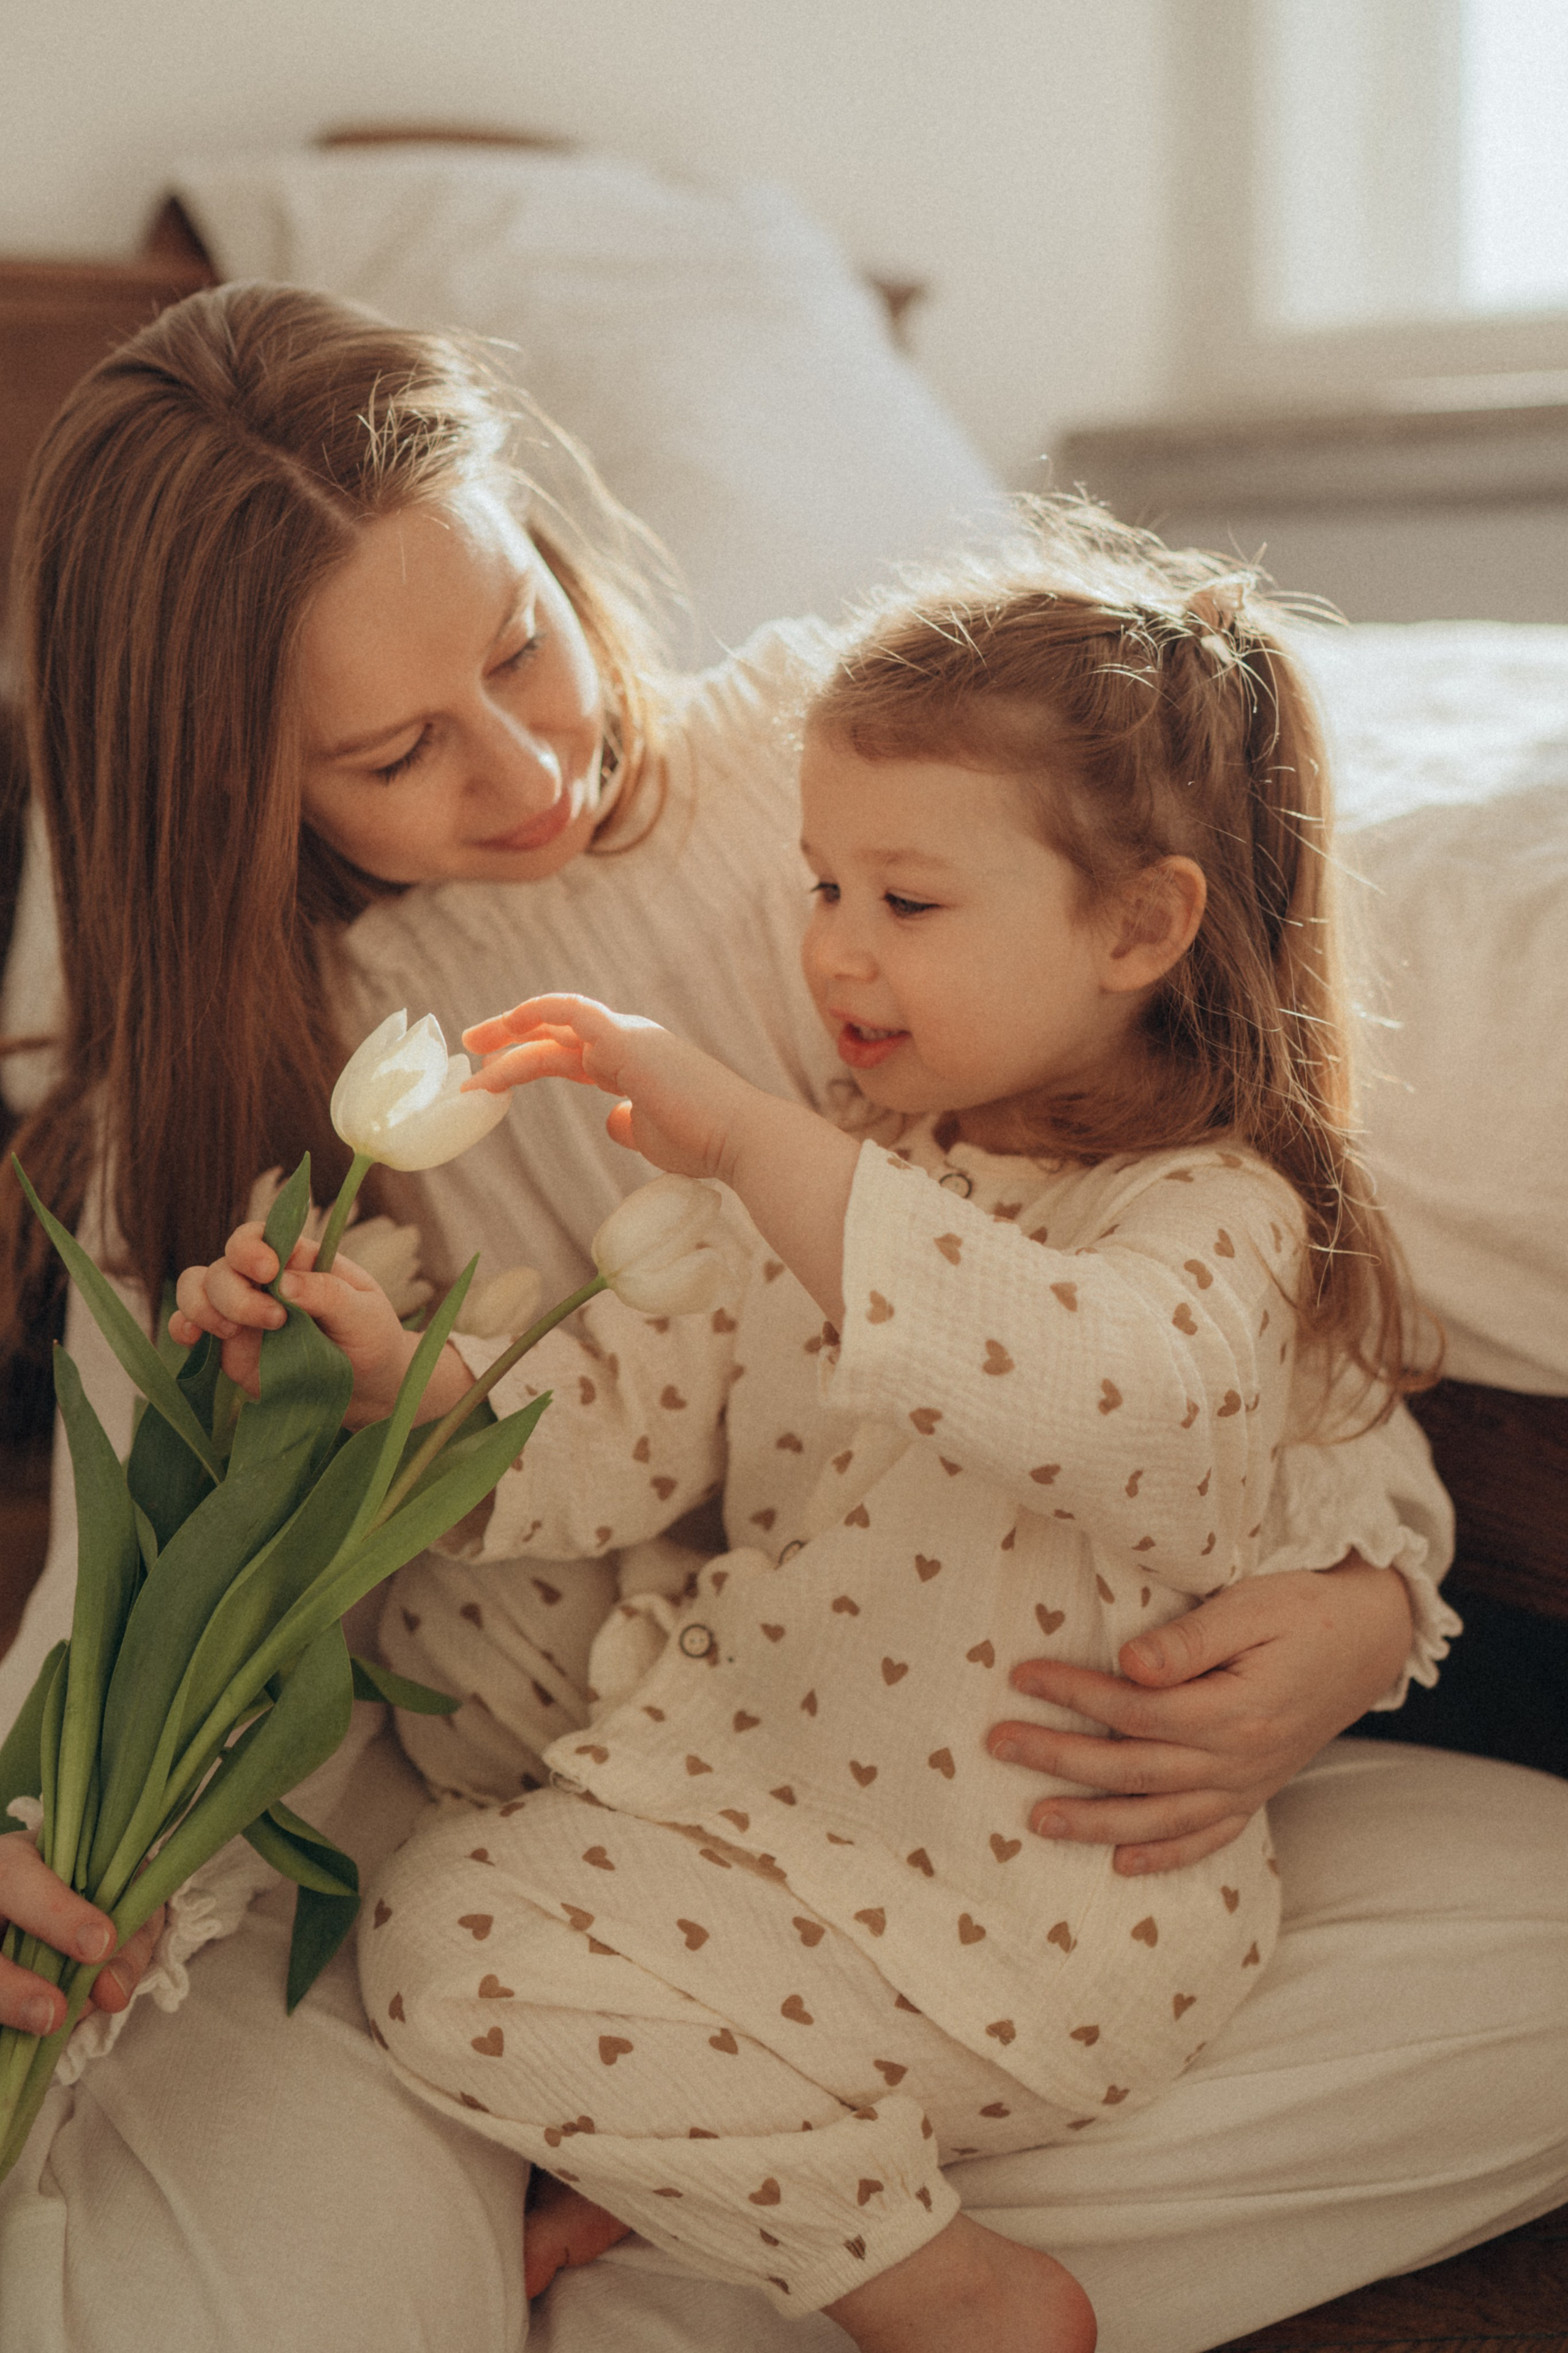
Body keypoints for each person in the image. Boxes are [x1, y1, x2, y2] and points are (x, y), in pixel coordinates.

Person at [0, 282, 1559, 2353]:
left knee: (1541, 1939)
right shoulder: (217, 1107)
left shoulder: (858, 790)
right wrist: (377, 1412)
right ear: (226, 785)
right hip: (581, 1814)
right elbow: (192, 1578)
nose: (531, 758)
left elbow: (1235, 1238)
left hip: (999, 1782)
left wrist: (1372, 1586)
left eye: (520, 643)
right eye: (396, 750)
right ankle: (747, 2201)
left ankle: (734, 2212)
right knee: (308, 2208)